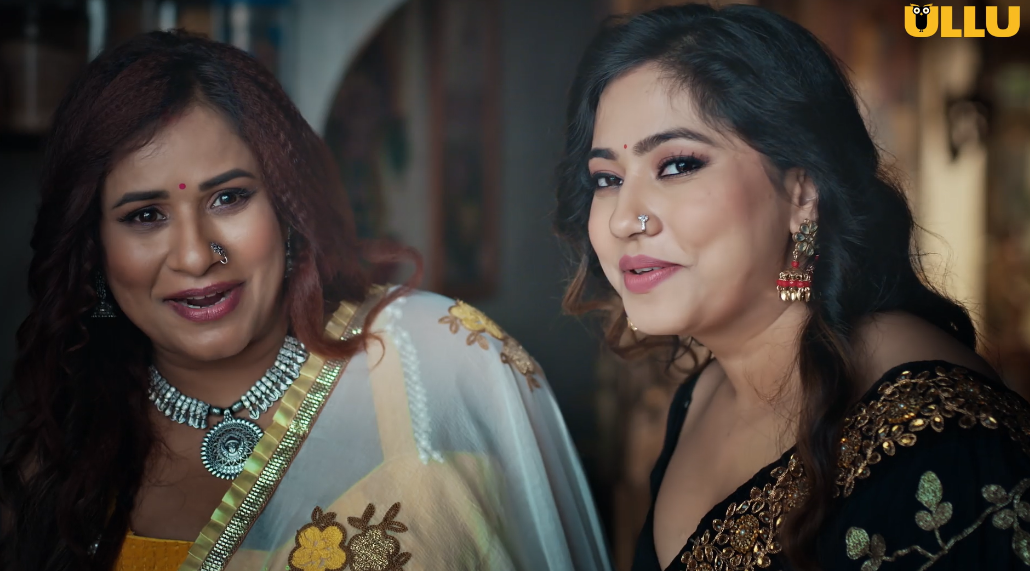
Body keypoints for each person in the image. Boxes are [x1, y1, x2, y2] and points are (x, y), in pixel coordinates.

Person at [0, 30, 611, 571]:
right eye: (145, 215)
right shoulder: (56, 465)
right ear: (93, 249)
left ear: (287, 208)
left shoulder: (435, 370)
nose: (194, 255)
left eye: (228, 198)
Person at [554, 4, 1030, 570]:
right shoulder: (702, 395)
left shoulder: (935, 430)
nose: (622, 219)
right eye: (607, 178)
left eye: (677, 165)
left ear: (802, 192)